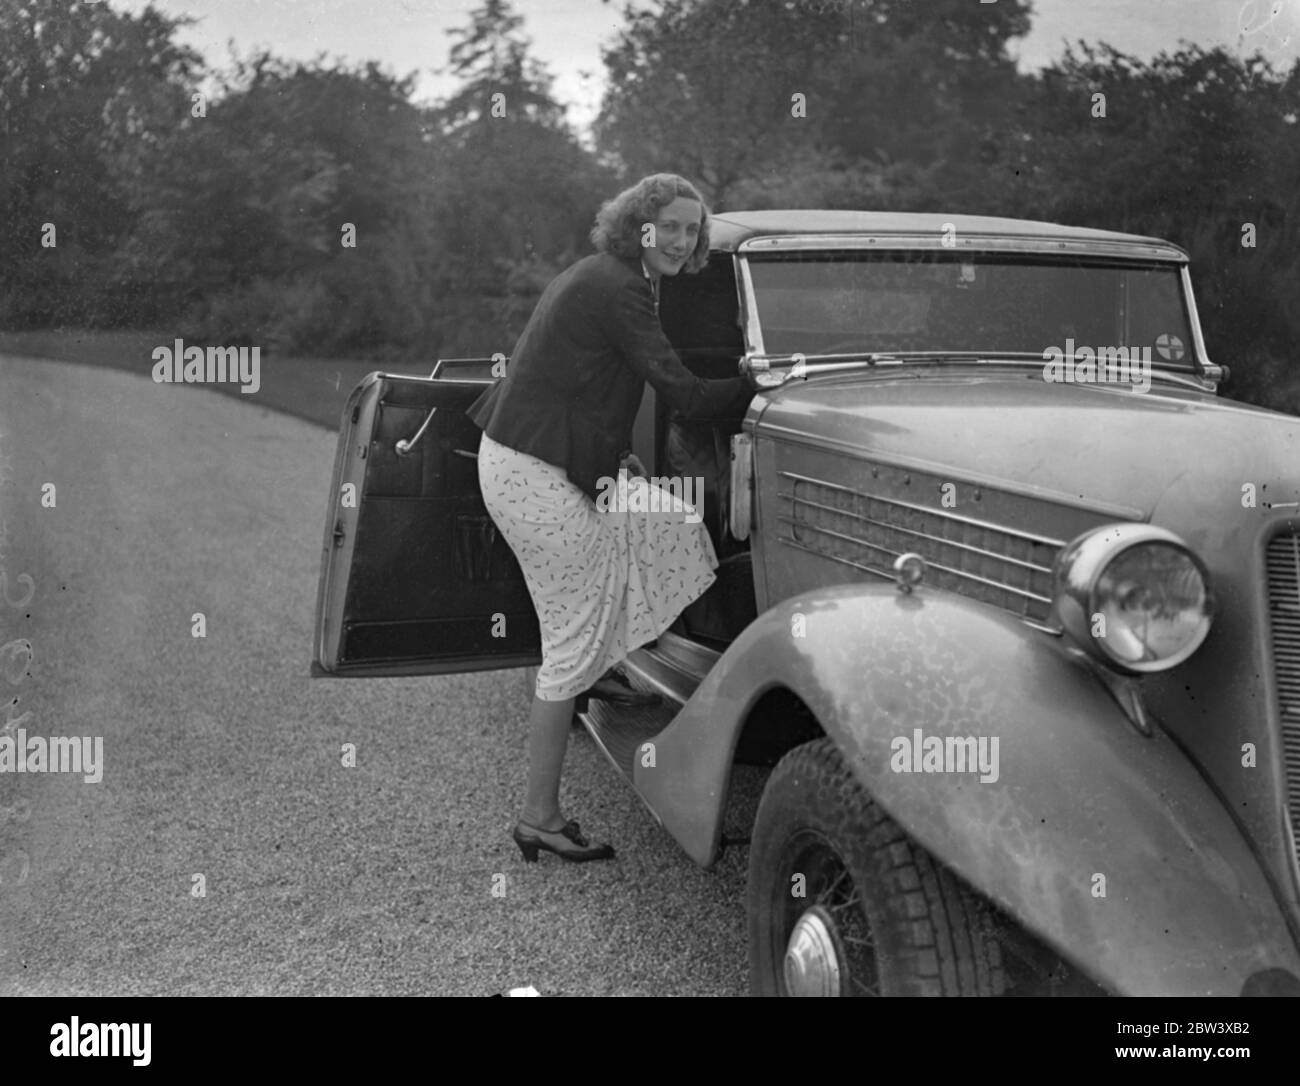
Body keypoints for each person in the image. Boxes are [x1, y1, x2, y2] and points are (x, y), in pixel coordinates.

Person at [467, 173, 754, 863]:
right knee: (566, 645)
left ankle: (613, 659)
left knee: (670, 525)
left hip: (540, 459)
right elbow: (682, 393)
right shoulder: (620, 284)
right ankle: (539, 816)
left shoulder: (615, 276)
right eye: (670, 227)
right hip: (533, 474)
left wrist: (616, 452)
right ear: (640, 227)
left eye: (693, 229)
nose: (683, 239)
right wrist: (759, 381)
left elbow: (584, 375)